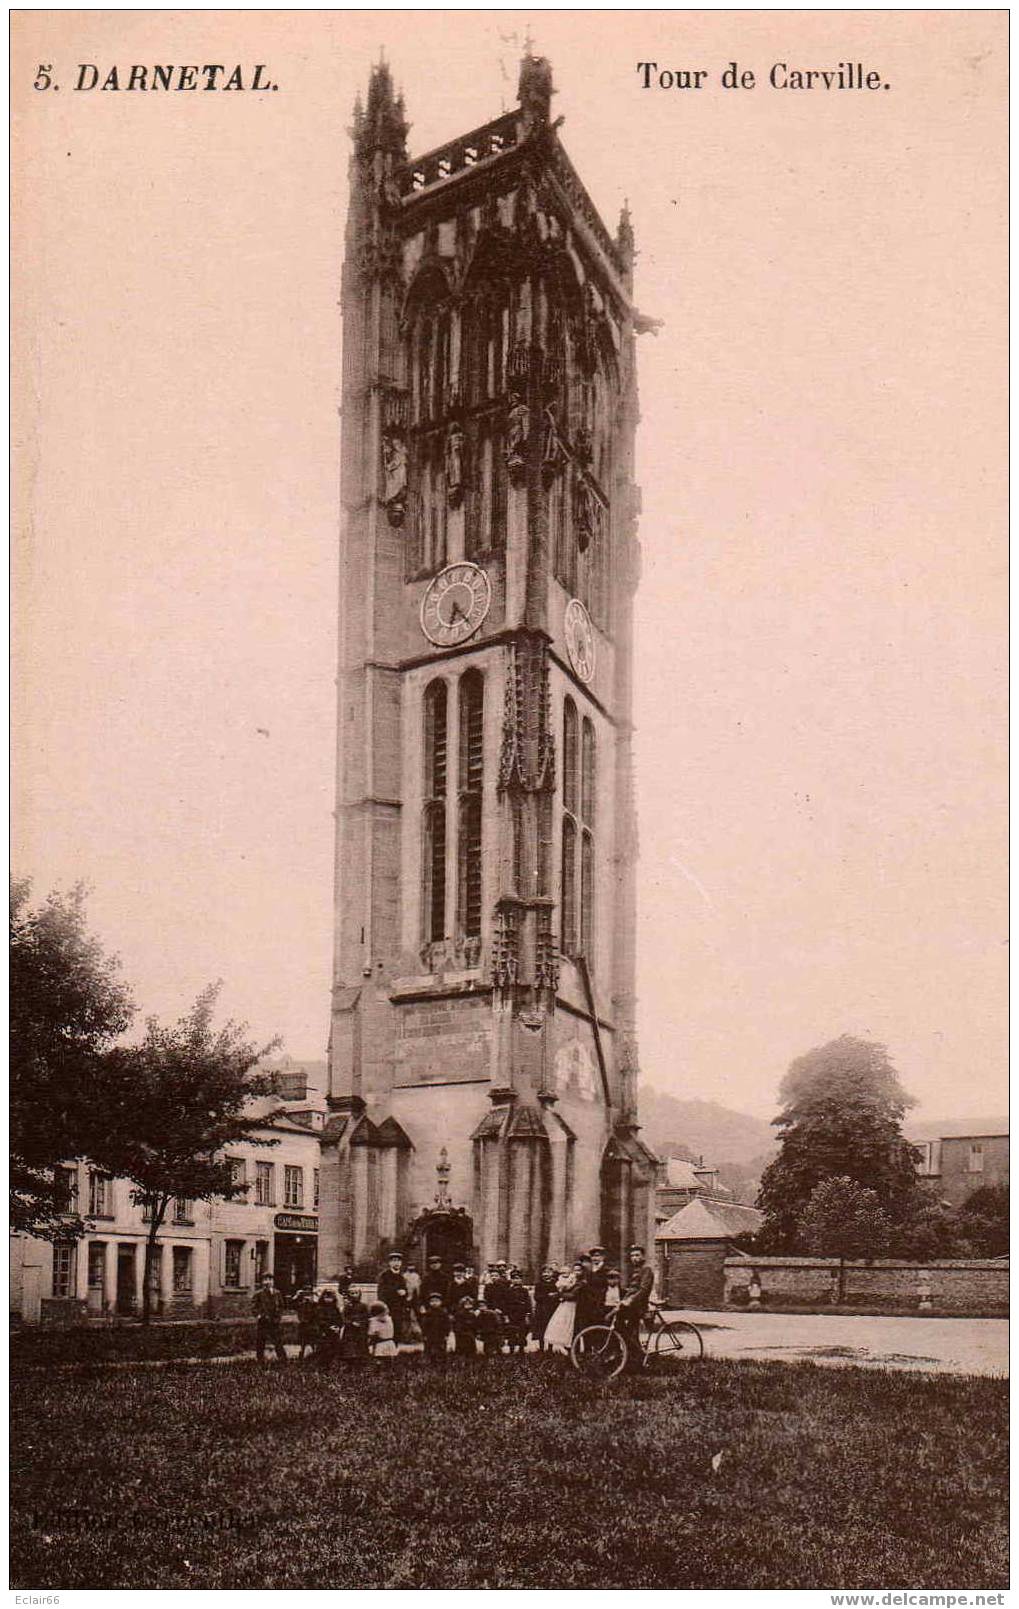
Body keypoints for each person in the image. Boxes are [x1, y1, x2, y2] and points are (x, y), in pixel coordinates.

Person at [616, 1244, 655, 1358]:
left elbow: (643, 1289)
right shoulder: (637, 1270)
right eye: (632, 1255)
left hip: (638, 1306)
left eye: (637, 1255)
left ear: (643, 1257)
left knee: (622, 1325)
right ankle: (635, 1353)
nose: (634, 1258)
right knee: (628, 1330)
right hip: (633, 1305)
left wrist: (630, 1300)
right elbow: (633, 1289)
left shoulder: (646, 1269)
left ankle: (637, 1354)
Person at [542, 1261, 583, 1354]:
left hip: (573, 1304)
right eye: (575, 1270)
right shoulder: (565, 1279)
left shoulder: (577, 1281)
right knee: (560, 1323)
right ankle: (561, 1346)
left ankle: (572, 1349)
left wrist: (559, 1294)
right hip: (565, 1304)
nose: (576, 1272)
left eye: (579, 1270)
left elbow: (572, 1294)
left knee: (570, 1326)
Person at [252, 1273, 288, 1364]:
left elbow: (281, 1306)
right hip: (263, 1321)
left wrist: (278, 1317)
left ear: (273, 1281)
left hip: (274, 1321)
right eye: (265, 1280)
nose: (268, 1282)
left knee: (278, 1340)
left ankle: (283, 1359)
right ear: (262, 1282)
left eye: (270, 1280)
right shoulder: (259, 1294)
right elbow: (254, 1307)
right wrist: (259, 1315)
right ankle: (260, 1359)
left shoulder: (277, 1293)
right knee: (261, 1340)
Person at [377, 1251, 411, 1344]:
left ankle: (394, 1353)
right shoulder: (385, 1276)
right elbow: (382, 1292)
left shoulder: (401, 1277)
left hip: (399, 1309)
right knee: (386, 1332)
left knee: (397, 1331)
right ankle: (386, 1355)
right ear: (390, 1263)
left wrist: (405, 1294)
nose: (397, 1263)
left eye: (398, 1261)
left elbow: (405, 1291)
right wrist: (396, 1292)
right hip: (388, 1307)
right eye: (394, 1261)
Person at [338, 1287, 370, 1362]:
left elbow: (367, 1317)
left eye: (356, 1293)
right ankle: (350, 1360)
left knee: (361, 1344)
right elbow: (344, 1318)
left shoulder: (364, 1306)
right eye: (352, 1293)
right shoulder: (348, 1306)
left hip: (361, 1329)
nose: (354, 1295)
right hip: (350, 1330)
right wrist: (351, 1323)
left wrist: (362, 1323)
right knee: (350, 1346)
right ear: (349, 1295)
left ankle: (362, 1359)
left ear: (360, 1294)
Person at [503, 1270, 532, 1354]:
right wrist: (506, 1316)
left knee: (522, 1331)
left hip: (521, 1314)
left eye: (518, 1278)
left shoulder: (524, 1291)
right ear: (511, 1280)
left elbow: (528, 1303)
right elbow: (505, 1304)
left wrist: (527, 1315)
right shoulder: (508, 1291)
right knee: (511, 1331)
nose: (516, 1280)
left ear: (521, 1280)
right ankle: (511, 1349)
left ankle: (521, 1348)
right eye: (514, 1278)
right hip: (511, 1314)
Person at [532, 1264, 560, 1350]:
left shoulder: (555, 1284)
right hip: (541, 1309)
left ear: (552, 1273)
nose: (546, 1274)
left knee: (551, 1328)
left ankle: (550, 1348)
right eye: (544, 1272)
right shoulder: (539, 1284)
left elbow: (559, 1296)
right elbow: (537, 1297)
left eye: (548, 1272)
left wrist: (556, 1295)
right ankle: (541, 1348)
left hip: (552, 1309)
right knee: (541, 1329)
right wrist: (547, 1296)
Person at [313, 1289, 343, 1364]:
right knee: (324, 1348)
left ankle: (332, 1362)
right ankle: (322, 1363)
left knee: (334, 1347)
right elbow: (319, 1320)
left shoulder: (335, 1309)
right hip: (324, 1331)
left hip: (334, 1332)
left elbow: (339, 1319)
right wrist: (329, 1327)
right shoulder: (320, 1308)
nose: (328, 1300)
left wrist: (338, 1327)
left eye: (331, 1298)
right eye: (326, 1297)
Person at [420, 1291, 451, 1360]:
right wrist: (424, 1334)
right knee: (429, 1347)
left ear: (441, 1302)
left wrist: (446, 1334)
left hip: (440, 1334)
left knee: (441, 1348)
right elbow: (424, 1325)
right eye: (432, 1301)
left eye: (437, 1301)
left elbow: (447, 1325)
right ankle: (429, 1360)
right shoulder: (428, 1313)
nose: (434, 1303)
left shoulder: (443, 1313)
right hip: (430, 1334)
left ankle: (442, 1360)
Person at [294, 1286, 318, 1361]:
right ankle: (301, 1356)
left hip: (312, 1324)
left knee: (313, 1341)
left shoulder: (314, 1303)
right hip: (303, 1324)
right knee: (302, 1342)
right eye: (305, 1293)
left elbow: (319, 1306)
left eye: (309, 1293)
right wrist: (296, 1296)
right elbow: (291, 1305)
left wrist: (316, 1295)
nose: (307, 1296)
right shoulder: (300, 1303)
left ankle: (314, 1355)